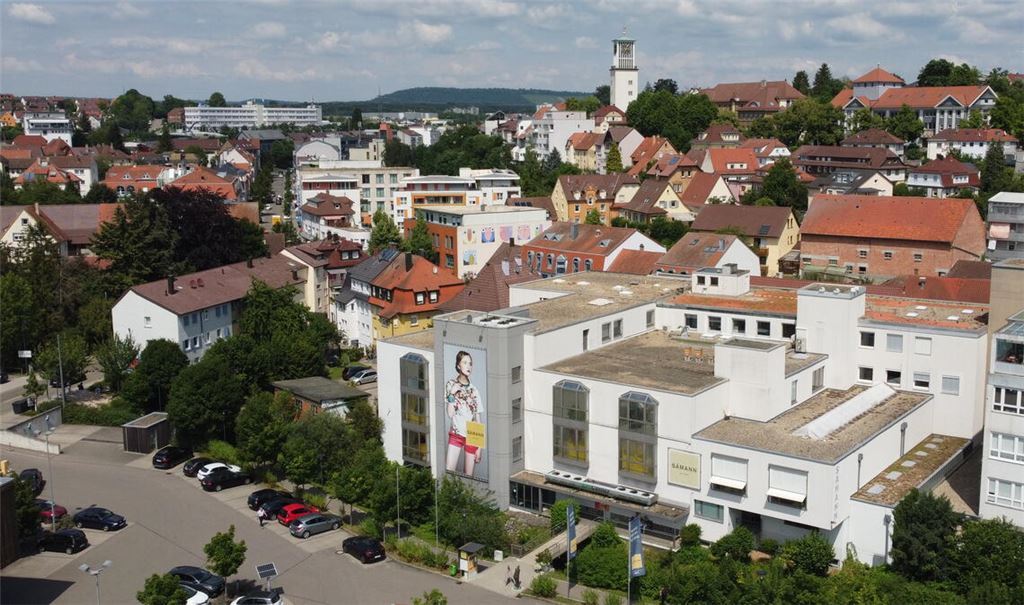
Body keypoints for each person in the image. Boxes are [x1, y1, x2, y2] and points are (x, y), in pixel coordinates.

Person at [445, 350, 483, 477]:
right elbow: (450, 414)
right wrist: (452, 394)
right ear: (458, 366)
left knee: (469, 478)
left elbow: (478, 419)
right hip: (456, 434)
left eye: (470, 363)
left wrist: (479, 447)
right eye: (465, 362)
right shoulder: (451, 385)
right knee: (449, 472)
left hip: (472, 435)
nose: (468, 366)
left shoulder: (474, 390)